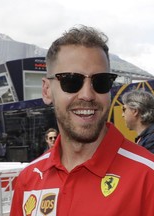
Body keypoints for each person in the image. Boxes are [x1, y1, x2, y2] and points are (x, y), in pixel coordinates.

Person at [10, 25, 154, 216]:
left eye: (100, 81)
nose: (87, 95)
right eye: (71, 81)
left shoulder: (148, 177)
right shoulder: (28, 179)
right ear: (46, 90)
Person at [122, 89, 154, 153]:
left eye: (124, 109)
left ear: (135, 111)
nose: (122, 115)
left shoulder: (151, 141)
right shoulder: (147, 139)